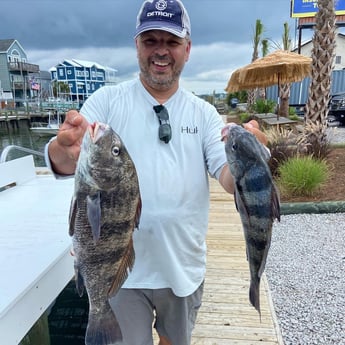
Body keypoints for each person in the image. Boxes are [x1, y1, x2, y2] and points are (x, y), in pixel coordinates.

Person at [46, 1, 267, 344]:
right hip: (120, 270)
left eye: (172, 42)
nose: (161, 51)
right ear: (137, 45)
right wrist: (63, 148)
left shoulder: (204, 114)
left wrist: (252, 160)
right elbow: (67, 158)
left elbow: (226, 175)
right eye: (151, 41)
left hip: (182, 266)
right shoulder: (106, 102)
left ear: (187, 49)